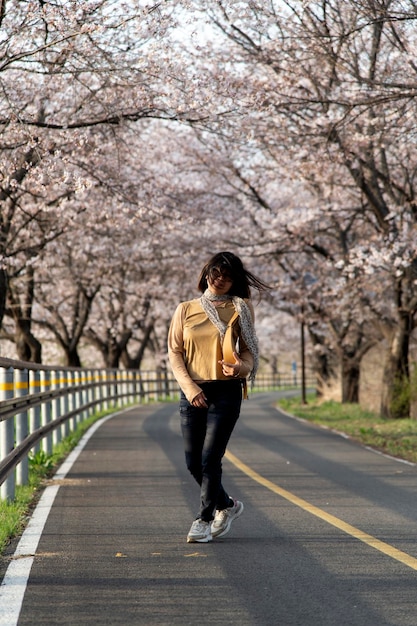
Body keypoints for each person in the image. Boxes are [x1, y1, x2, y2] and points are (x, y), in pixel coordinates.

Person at [167, 251, 270, 543]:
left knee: (211, 458)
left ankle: (204, 519)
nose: (221, 280)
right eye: (217, 274)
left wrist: (241, 367)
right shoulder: (185, 309)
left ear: (235, 280)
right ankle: (228, 505)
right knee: (192, 462)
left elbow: (250, 350)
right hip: (193, 390)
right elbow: (174, 352)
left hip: (226, 390)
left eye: (228, 276)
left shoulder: (241, 307)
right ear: (206, 274)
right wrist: (191, 389)